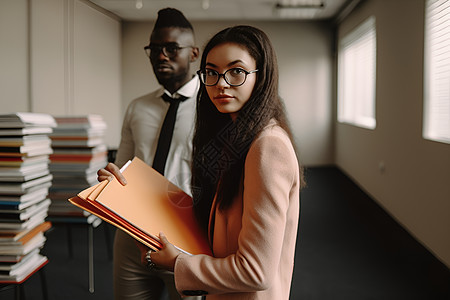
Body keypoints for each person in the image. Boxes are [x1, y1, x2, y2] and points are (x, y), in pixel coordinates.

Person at [145, 25, 303, 299]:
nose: (221, 83)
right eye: (211, 72)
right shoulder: (234, 136)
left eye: (237, 71)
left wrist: (176, 263)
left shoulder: (267, 146)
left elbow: (256, 271)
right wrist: (123, 193)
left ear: (260, 76)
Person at [97, 8, 201, 300]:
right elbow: (122, 168)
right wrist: (109, 177)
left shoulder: (213, 108)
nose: (161, 56)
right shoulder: (137, 107)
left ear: (193, 53)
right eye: (154, 49)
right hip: (131, 236)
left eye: (171, 48)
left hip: (187, 238)